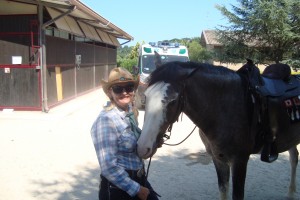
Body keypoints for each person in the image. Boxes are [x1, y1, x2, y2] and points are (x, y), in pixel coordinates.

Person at [91, 67, 160, 200]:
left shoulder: (130, 112)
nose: (125, 92)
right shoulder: (106, 120)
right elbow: (108, 167)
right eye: (118, 89)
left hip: (139, 178)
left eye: (129, 87)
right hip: (119, 188)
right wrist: (137, 189)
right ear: (110, 92)